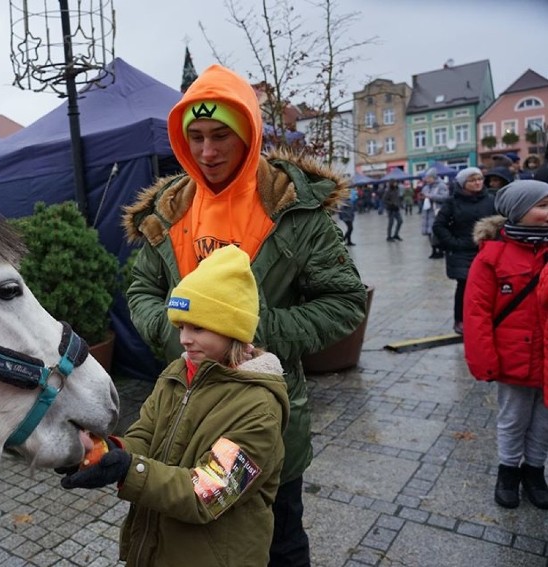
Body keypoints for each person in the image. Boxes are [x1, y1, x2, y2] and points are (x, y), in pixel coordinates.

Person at [121, 64, 367, 566]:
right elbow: (142, 287)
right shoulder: (168, 209)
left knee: (280, 541)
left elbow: (345, 302)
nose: (206, 152)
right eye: (194, 137)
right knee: (188, 528)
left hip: (263, 414)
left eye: (219, 136)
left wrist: (251, 329)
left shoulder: (292, 209)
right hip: (181, 405)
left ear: (249, 134)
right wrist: (172, 332)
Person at [60, 245, 290, 566]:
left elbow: (208, 493)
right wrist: (103, 452)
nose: (184, 339)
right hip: (156, 552)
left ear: (232, 330)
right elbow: (144, 438)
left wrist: (130, 470)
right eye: (181, 326)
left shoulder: (259, 410)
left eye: (198, 327)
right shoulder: (177, 373)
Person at [464, 179, 548, 509]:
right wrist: (486, 360)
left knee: (543, 420)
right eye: (541, 206)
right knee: (513, 418)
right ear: (517, 212)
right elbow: (476, 313)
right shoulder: (492, 257)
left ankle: (535, 472)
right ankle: (508, 471)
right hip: (514, 358)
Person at [432, 167, 495, 334]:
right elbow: (439, 225)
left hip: (485, 250)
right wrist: (453, 242)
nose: (477, 183)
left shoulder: (491, 200)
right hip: (461, 251)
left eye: (480, 179)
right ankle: (460, 319)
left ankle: (486, 318)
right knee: (465, 285)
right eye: (472, 180)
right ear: (462, 184)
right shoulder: (452, 202)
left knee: (488, 286)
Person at [420, 168, 450, 258]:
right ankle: (433, 250)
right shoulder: (426, 187)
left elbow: (445, 198)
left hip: (437, 212)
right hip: (427, 212)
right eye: (426, 178)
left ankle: (440, 250)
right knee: (429, 233)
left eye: (429, 178)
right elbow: (424, 196)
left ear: (434, 177)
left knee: (436, 232)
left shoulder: (441, 186)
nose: (427, 180)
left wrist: (430, 196)